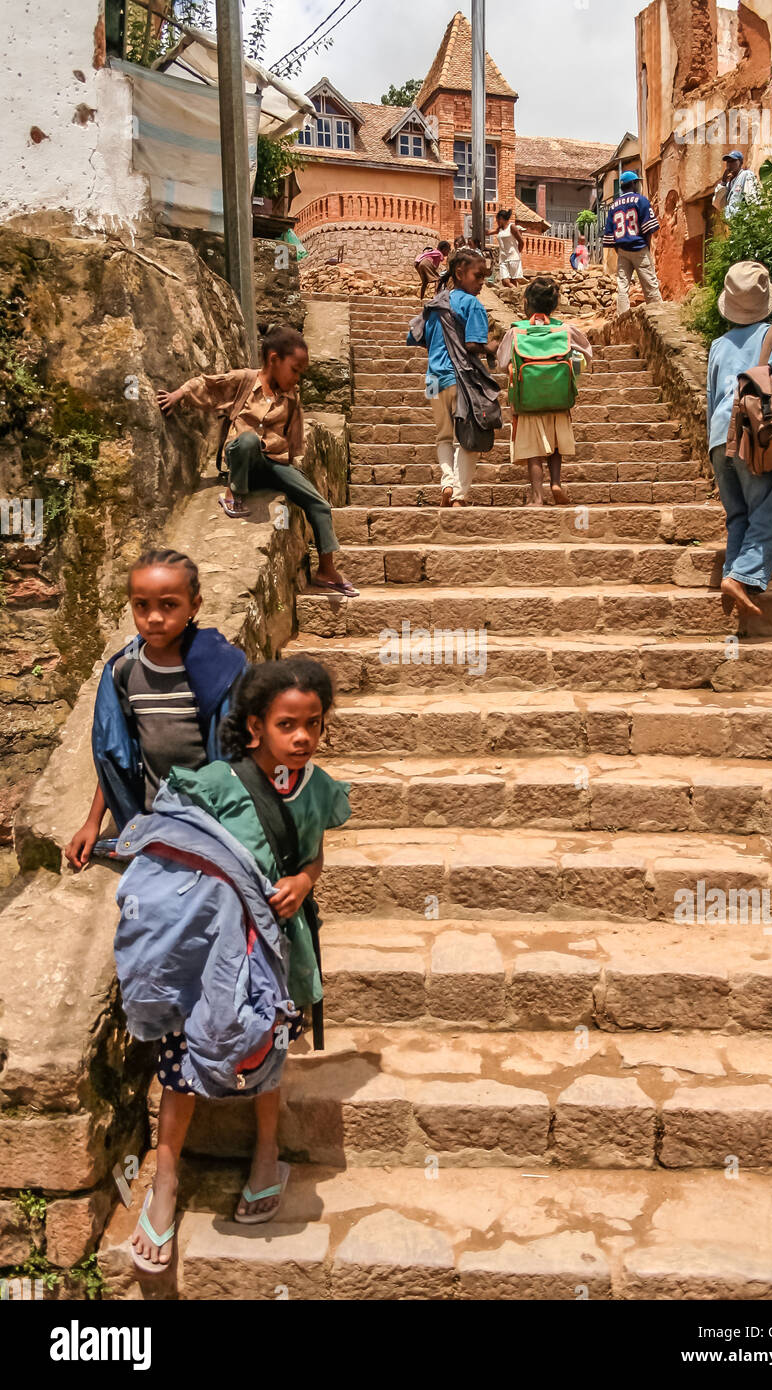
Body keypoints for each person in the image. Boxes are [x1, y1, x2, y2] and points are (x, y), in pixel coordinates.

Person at [126, 656, 350, 1271]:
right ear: (255, 728)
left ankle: (266, 1152)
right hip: (211, 952)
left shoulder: (320, 790)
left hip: (278, 950)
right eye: (287, 724)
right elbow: (181, 851)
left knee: (267, 1052)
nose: (302, 737)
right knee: (183, 1055)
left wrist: (303, 882)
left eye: (313, 724)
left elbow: (313, 858)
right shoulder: (217, 784)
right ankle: (166, 1178)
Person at [63, 549, 247, 869]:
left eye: (169, 605)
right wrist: (93, 822)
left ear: (195, 605)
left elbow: (244, 757)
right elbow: (118, 753)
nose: (155, 617)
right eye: (141, 605)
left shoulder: (221, 668)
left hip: (215, 819)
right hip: (156, 818)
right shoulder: (124, 671)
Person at [157, 325, 358, 597]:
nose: (297, 378)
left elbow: (293, 440)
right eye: (294, 370)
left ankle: (326, 569)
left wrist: (293, 475)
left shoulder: (290, 397)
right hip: (242, 457)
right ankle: (234, 492)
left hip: (272, 463)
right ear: (274, 360)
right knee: (248, 440)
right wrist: (178, 395)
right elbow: (208, 385)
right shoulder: (244, 381)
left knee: (319, 503)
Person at [706, 260, 772, 618]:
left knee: (737, 514)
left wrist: (713, 446)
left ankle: (735, 573)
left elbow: (711, 395)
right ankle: (744, 574)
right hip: (755, 437)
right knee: (765, 511)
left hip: (720, 437)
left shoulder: (718, 345)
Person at [407, 247, 498, 508]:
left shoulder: (435, 304)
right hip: (459, 377)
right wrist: (490, 347)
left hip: (433, 380)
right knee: (469, 438)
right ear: (460, 272)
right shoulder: (472, 304)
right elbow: (472, 344)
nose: (482, 282)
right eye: (478, 276)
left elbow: (415, 336)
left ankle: (446, 481)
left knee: (443, 437)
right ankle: (459, 494)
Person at [497, 276, 593, 506]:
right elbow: (587, 354)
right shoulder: (565, 329)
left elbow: (502, 362)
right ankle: (556, 483)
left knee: (534, 452)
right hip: (559, 398)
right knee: (556, 445)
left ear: (527, 303)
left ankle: (537, 497)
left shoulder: (517, 332)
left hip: (527, 401)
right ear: (554, 305)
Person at [602, 170, 663, 316]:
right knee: (650, 284)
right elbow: (648, 229)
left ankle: (622, 317)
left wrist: (620, 250)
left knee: (623, 286)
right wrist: (646, 247)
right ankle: (658, 315)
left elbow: (610, 235)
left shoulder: (613, 206)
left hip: (622, 250)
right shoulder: (641, 200)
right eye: (637, 182)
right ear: (634, 184)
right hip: (639, 247)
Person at [712, 150, 761, 222]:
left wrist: (754, 219)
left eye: (733, 161)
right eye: (728, 161)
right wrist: (723, 181)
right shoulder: (729, 184)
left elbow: (752, 197)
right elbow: (718, 203)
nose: (730, 164)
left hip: (745, 222)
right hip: (734, 226)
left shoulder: (746, 175)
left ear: (740, 162)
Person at [495, 208, 525, 286]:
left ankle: (516, 295)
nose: (497, 222)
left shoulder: (512, 227)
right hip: (503, 258)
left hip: (513, 258)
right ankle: (516, 292)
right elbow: (488, 232)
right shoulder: (500, 229)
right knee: (505, 281)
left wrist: (517, 252)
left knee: (512, 280)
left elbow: (521, 242)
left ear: (501, 219)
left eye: (497, 220)